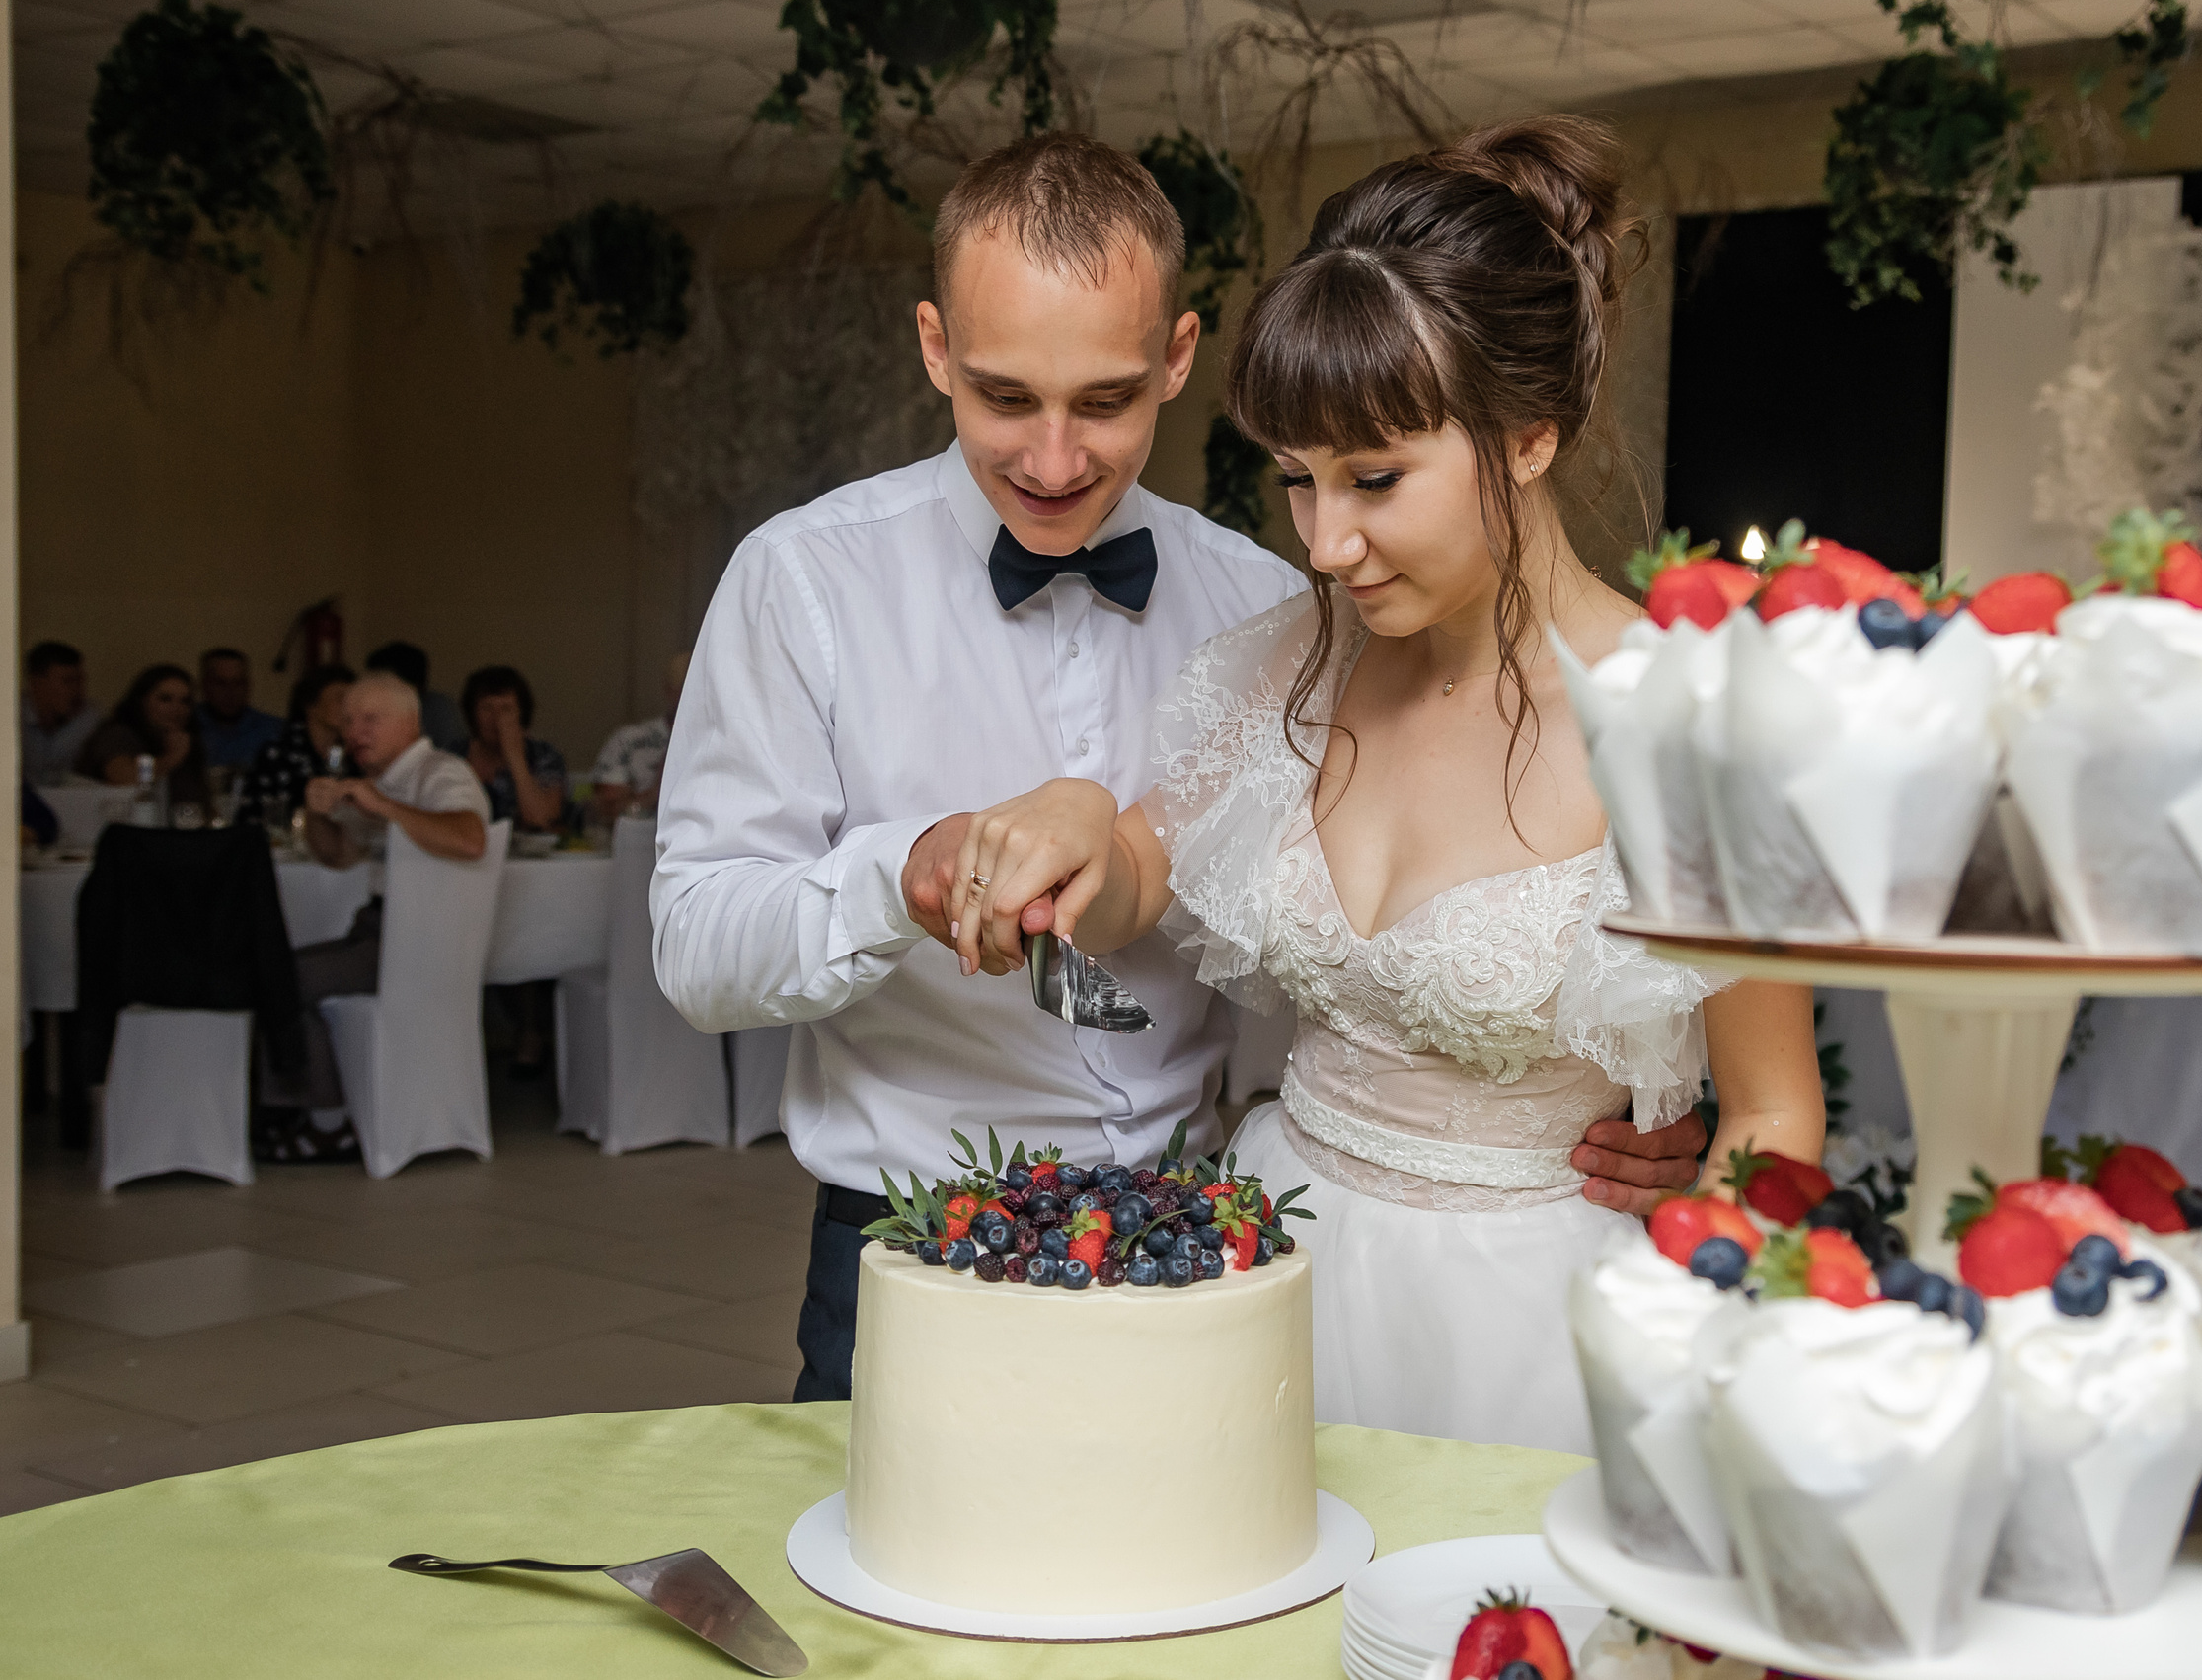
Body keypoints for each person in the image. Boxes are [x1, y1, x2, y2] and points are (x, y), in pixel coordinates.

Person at [652, 129, 1708, 1406]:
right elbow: (699, 942)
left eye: (1103, 402)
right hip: (920, 1226)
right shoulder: (804, 582)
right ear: (935, 349)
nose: (1052, 460)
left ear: (1178, 358)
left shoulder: (1276, 604)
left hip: (1210, 1232)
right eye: (1003, 397)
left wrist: (1627, 1109)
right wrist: (906, 871)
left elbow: (1325, 959)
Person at [942, 117, 1827, 1454]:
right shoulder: (1289, 660)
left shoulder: (1688, 722)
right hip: (1281, 1257)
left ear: (1527, 434)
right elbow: (1133, 872)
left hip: (1536, 1319)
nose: (1326, 540)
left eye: (1374, 478)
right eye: (1295, 480)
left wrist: (1710, 1290)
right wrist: (1078, 822)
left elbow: (1772, 1109)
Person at [259, 674, 490, 1149]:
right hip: (379, 930)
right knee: (271, 967)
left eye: (370, 720)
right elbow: (338, 855)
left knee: (281, 977)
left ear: (409, 724)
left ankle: (325, 1125)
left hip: (418, 941)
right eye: (347, 721)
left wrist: (382, 805)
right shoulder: (385, 781)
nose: (354, 732)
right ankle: (307, 1113)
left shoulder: (439, 772)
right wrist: (318, 814)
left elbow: (470, 838)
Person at [77, 663, 212, 821]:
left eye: (185, 701)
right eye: (165, 699)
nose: (176, 709)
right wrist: (170, 759)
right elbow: (124, 777)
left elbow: (200, 802)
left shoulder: (187, 740)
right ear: (142, 700)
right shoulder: (118, 734)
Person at [240, 663, 358, 822]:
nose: (348, 708)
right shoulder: (277, 755)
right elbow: (254, 817)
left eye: (353, 701)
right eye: (340, 698)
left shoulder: (356, 755)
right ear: (311, 705)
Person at [458, 665, 567, 832]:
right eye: (487, 708)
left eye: (506, 709)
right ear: (472, 714)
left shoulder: (544, 756)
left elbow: (542, 821)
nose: (496, 719)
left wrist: (515, 756)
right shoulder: (452, 755)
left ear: (521, 714)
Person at [587, 651, 688, 825]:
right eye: (684, 688)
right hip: (637, 845)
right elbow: (608, 813)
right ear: (669, 689)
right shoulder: (629, 740)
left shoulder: (730, 744)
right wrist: (659, 788)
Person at [364, 641, 468, 754]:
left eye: (380, 682)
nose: (373, 689)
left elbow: (453, 753)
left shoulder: (440, 709)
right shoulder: (370, 710)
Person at [21, 642, 99, 786]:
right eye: (68, 681)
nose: (77, 689)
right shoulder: (12, 719)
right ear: (36, 682)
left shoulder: (91, 719)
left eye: (80, 680)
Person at [196, 647, 283, 771]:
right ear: (205, 685)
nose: (230, 692)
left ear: (248, 686)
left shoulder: (274, 730)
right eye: (221, 683)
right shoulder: (188, 727)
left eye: (238, 683)